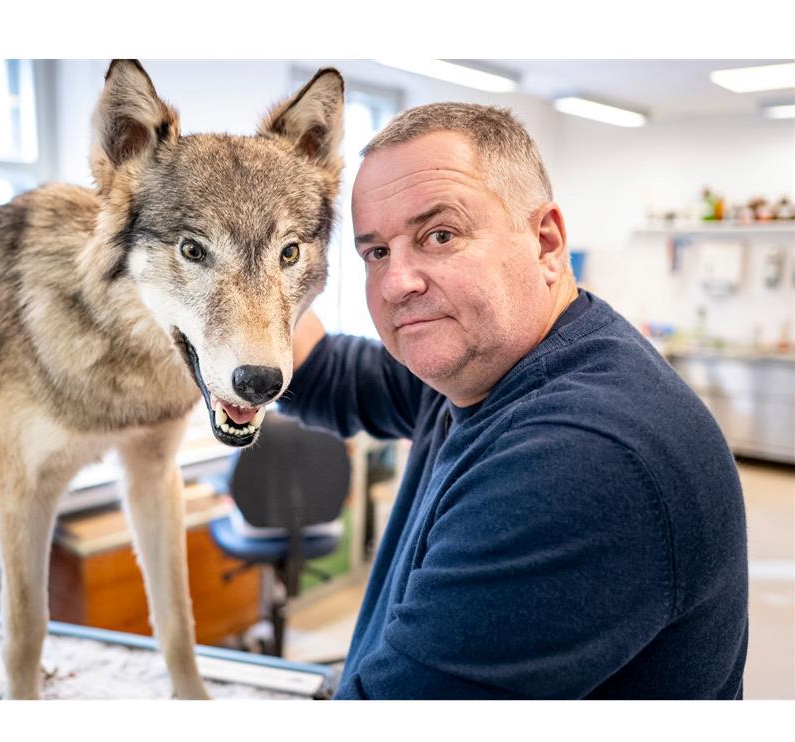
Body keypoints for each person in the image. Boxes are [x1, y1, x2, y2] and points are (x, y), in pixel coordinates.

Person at [280, 103, 748, 699]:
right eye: (377, 253)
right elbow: (322, 373)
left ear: (546, 243)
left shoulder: (579, 459)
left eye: (439, 236)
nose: (398, 283)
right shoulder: (477, 365)